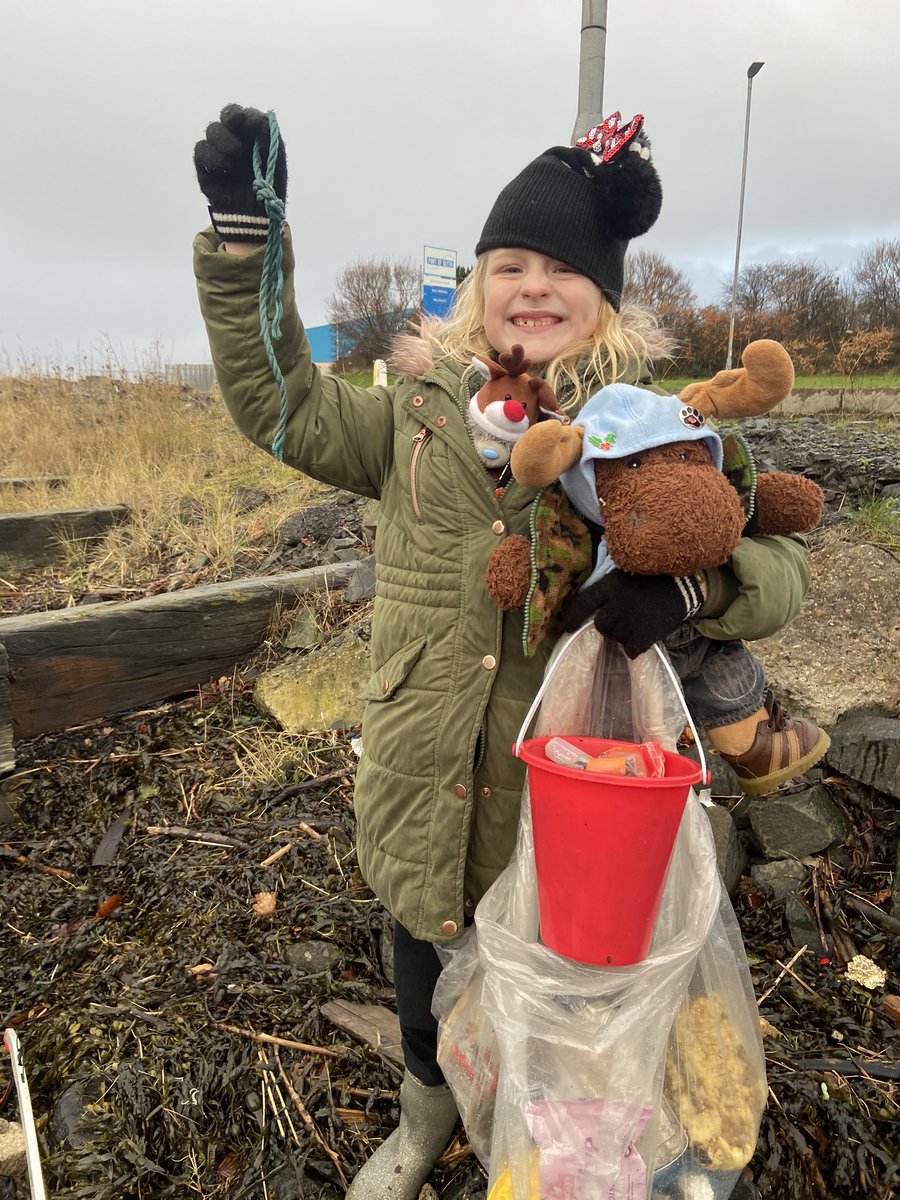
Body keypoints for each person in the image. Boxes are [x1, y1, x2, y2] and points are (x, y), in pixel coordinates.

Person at [192, 105, 824, 1197]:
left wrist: (689, 587)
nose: (533, 286)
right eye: (510, 262)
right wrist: (246, 239)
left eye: (562, 268)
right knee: (419, 948)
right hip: (421, 767)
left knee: (575, 995)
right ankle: (427, 1113)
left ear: (606, 297)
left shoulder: (655, 424)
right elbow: (280, 408)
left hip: (575, 800)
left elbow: (781, 568)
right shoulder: (408, 422)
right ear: (480, 283)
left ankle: (553, 1145)